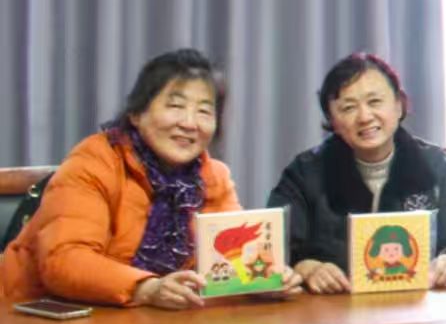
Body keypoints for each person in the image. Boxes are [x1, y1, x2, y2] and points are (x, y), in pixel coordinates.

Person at [1, 49, 297, 307]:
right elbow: (65, 260)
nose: (189, 123)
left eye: (204, 111)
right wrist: (144, 287)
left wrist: (263, 281)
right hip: (33, 316)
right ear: (137, 114)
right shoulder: (93, 161)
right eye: (175, 106)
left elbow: (229, 263)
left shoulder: (213, 176)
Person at [273, 53, 446, 293]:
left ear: (398, 105)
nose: (365, 117)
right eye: (348, 107)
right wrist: (308, 268)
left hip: (418, 305)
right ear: (332, 120)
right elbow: (272, 247)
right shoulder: (305, 172)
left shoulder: (435, 164)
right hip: (335, 306)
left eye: (375, 102)